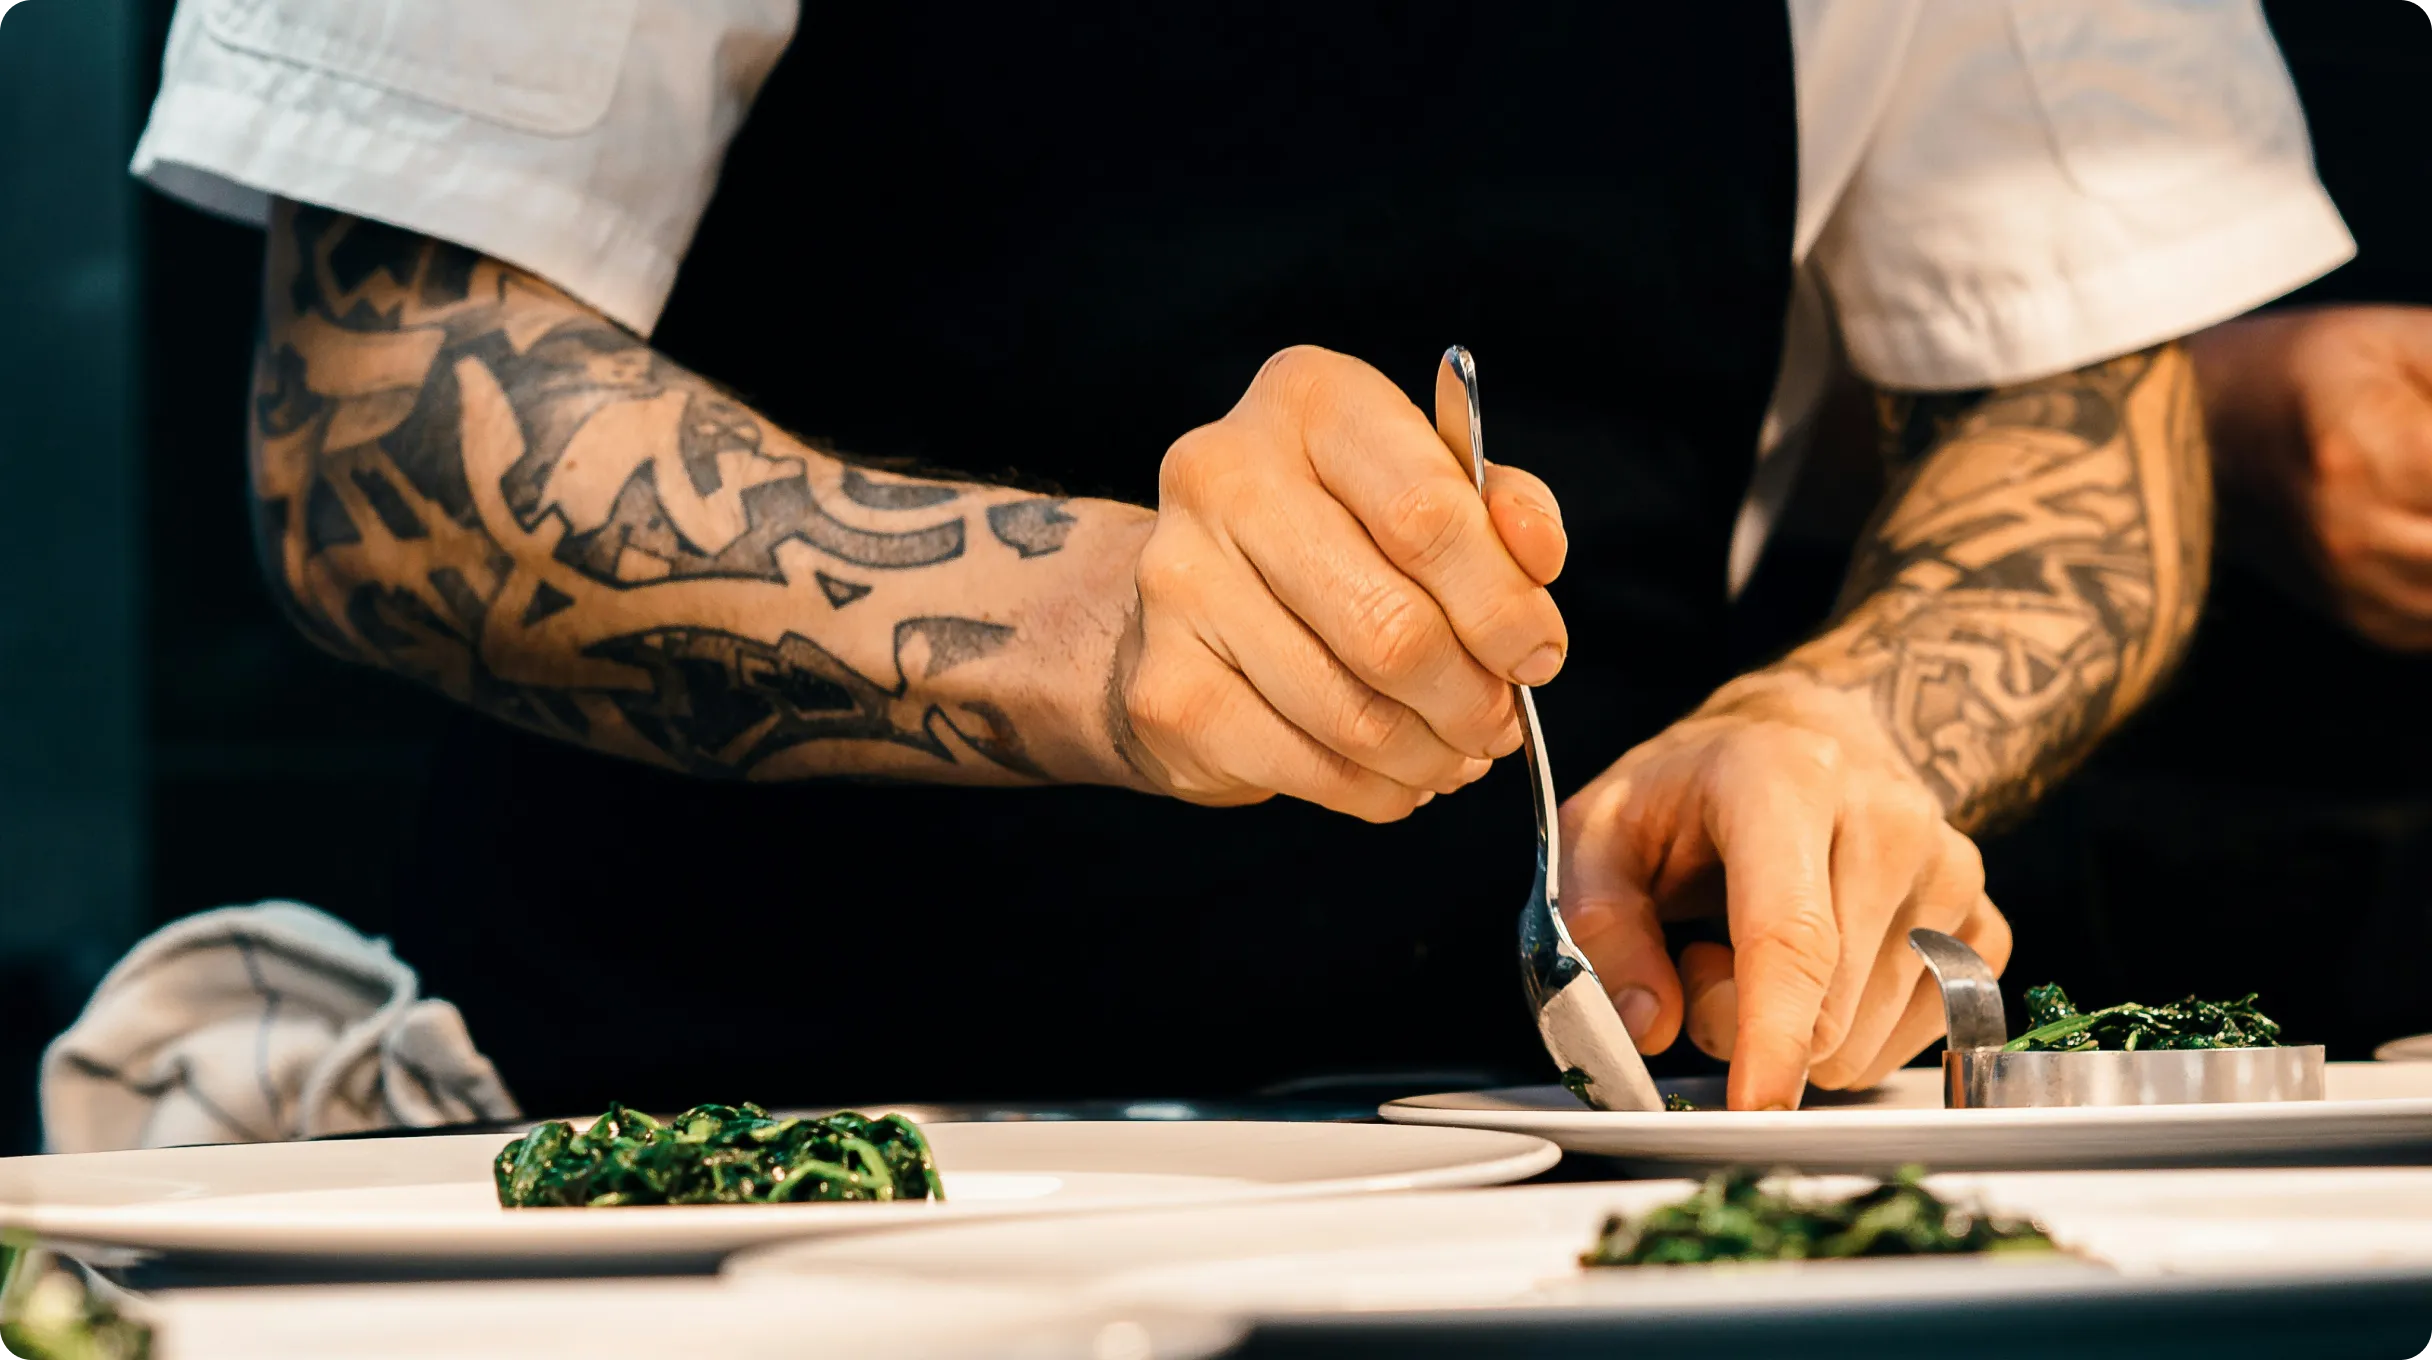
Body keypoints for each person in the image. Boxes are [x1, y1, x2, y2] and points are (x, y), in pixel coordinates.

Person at [127, 1, 2350, 1113]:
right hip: (697, 1150)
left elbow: (2086, 374)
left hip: (1582, 1169)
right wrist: (1084, 623)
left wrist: (1840, 725)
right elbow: (377, 398)